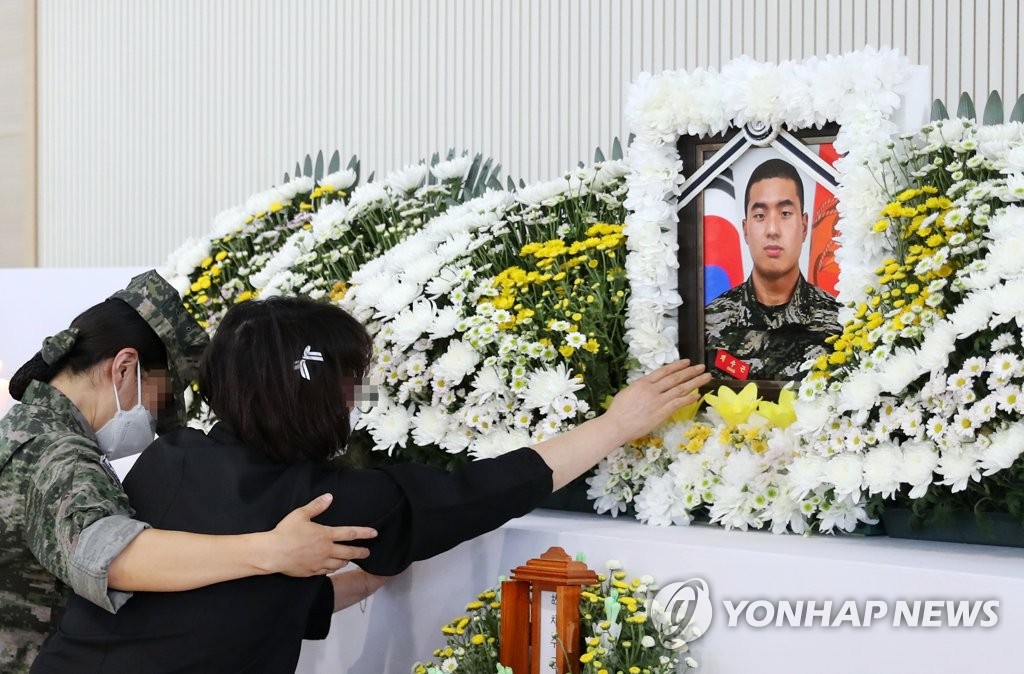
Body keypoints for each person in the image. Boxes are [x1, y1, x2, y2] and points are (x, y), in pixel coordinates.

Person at [33, 295, 712, 673]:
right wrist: (618, 423)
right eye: (350, 384)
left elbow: (216, 608)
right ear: (317, 396)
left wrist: (367, 570)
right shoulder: (335, 503)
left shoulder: (168, 457)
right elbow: (490, 489)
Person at [0, 271, 377, 673]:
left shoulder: (32, 430)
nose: (156, 418)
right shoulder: (54, 452)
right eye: (162, 399)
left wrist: (360, 584)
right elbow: (112, 559)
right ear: (124, 368)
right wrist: (273, 550)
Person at [704, 158, 841, 380]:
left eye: (785, 213)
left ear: (804, 226)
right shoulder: (708, 323)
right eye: (760, 216)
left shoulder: (840, 322)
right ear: (746, 229)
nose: (772, 230)